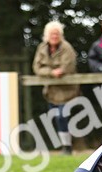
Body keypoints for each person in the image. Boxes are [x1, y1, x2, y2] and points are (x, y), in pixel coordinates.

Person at [33, 21, 79, 155]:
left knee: (62, 116)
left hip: (67, 91)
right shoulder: (42, 48)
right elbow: (36, 67)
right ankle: (66, 146)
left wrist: (50, 71)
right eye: (52, 34)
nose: (54, 36)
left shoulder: (67, 48)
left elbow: (67, 67)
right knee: (56, 117)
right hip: (51, 91)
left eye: (57, 34)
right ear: (47, 35)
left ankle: (67, 146)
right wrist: (51, 72)